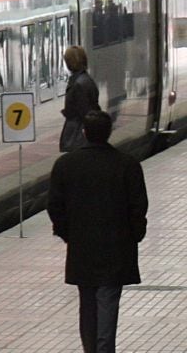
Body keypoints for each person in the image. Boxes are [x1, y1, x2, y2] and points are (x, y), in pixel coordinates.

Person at [48, 110, 148, 353]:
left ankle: (90, 348)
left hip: (82, 248)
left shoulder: (66, 165)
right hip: (117, 248)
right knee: (108, 302)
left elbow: (54, 206)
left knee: (88, 304)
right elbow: (139, 206)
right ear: (109, 133)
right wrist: (134, 235)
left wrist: (67, 234)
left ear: (84, 133)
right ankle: (104, 349)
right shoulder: (127, 164)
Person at [60, 45, 100, 152]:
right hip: (82, 134)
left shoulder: (78, 84)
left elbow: (85, 112)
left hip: (78, 135)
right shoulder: (86, 79)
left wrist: (68, 112)